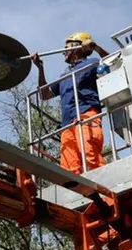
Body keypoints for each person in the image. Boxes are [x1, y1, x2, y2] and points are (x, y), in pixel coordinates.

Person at [31, 31, 110, 175]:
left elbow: (112, 61)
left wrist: (95, 47)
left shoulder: (91, 63)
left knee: (90, 155)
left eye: (66, 48)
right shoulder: (64, 76)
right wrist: (40, 69)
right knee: (69, 168)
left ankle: (105, 192)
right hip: (67, 124)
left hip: (86, 115)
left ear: (77, 48)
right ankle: (81, 196)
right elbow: (45, 94)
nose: (63, 53)